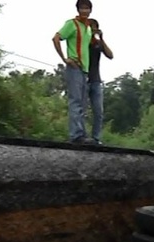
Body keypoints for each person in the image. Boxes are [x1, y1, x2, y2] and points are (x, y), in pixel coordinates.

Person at [52, 0, 95, 144]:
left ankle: (81, 133)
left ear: (90, 10)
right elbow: (56, 38)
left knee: (82, 103)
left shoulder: (87, 27)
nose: (84, 11)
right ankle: (76, 135)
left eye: (87, 8)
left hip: (84, 70)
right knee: (76, 101)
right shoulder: (72, 24)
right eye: (82, 8)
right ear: (78, 10)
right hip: (74, 67)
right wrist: (65, 59)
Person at [86, 19, 113, 145]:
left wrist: (101, 38)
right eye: (90, 27)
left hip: (96, 80)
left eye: (94, 28)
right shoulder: (83, 43)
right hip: (83, 80)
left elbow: (110, 55)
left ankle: (96, 138)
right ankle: (81, 136)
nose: (92, 30)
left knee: (98, 111)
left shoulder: (98, 44)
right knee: (81, 109)